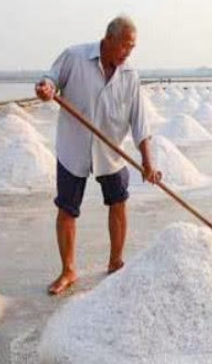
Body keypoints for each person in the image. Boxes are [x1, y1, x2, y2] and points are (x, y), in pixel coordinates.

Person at [35, 15, 162, 295]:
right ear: (108, 39)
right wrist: (46, 88)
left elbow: (140, 121)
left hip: (110, 150)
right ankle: (68, 270)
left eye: (132, 47)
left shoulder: (129, 75)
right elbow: (50, 79)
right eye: (125, 46)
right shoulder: (74, 57)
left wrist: (147, 162)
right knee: (67, 209)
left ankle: (116, 262)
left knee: (118, 202)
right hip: (74, 147)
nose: (128, 52)